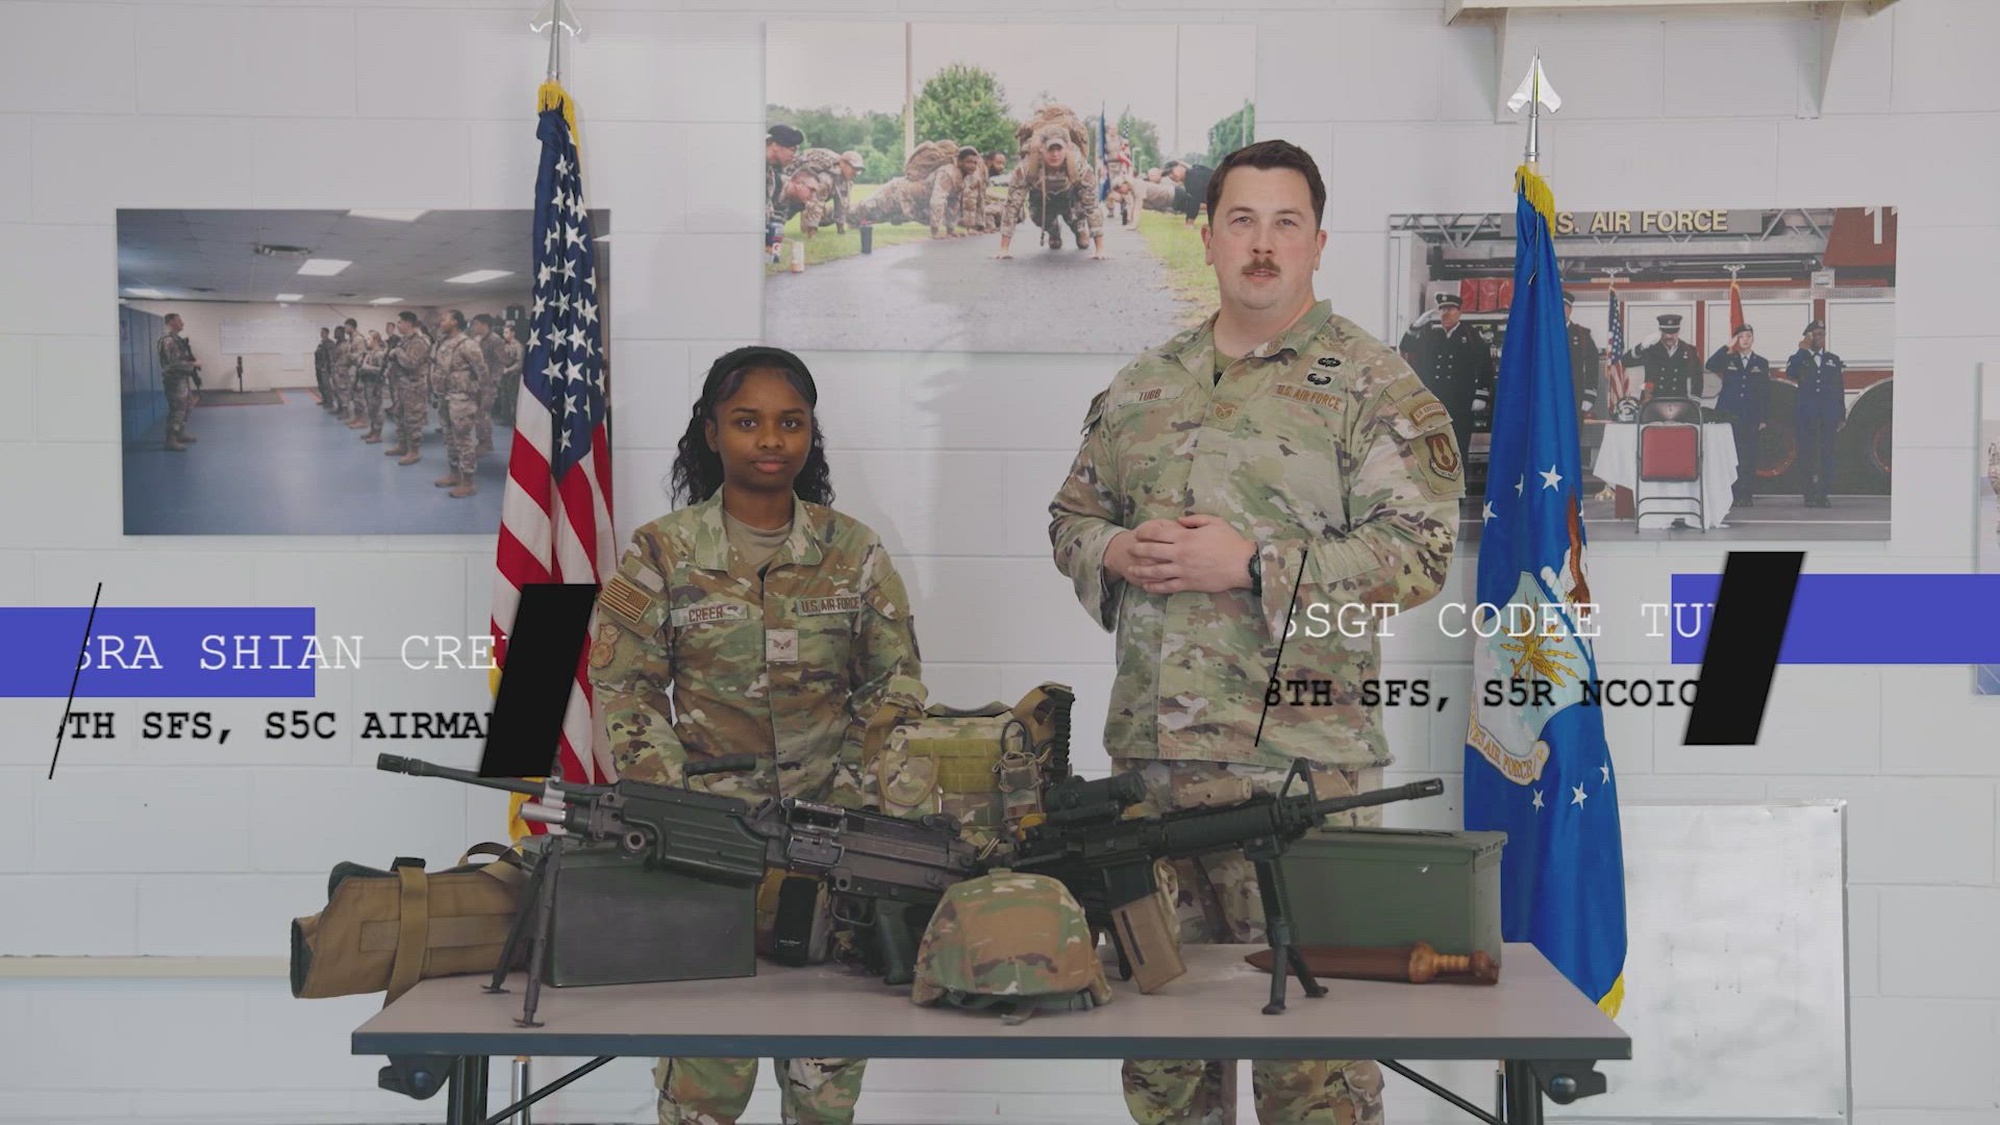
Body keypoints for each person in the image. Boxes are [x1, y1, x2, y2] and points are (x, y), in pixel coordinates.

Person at [1048, 138, 1461, 1125]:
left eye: (1284, 224)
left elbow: (1418, 553)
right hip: (1152, 776)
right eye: (1241, 221)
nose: (1261, 245)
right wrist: (1108, 552)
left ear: (1317, 242)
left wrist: (1254, 564)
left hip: (1301, 775)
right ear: (1208, 238)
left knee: (1313, 1072)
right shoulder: (1144, 384)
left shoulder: (1372, 386)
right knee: (1163, 1065)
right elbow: (1070, 517)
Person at [587, 345, 927, 1125]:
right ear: (712, 433)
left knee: (823, 1088)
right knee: (705, 1086)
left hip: (834, 853)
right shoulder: (659, 553)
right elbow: (626, 688)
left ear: (811, 434)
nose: (770, 439)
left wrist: (848, 794)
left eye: (789, 422)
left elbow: (896, 686)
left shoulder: (856, 553)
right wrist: (680, 807)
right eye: (747, 421)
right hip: (711, 858)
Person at [1398, 292, 1492, 462]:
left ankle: (1460, 486)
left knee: (1458, 445)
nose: (1446, 313)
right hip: (1434, 402)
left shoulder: (1470, 335)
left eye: (1450, 309)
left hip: (1461, 402)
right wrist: (1416, 326)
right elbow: (1405, 346)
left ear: (1459, 312)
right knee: (1432, 445)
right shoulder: (1431, 336)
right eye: (1442, 310)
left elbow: (1485, 365)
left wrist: (1481, 395)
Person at [995, 134, 1106, 259]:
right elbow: (1012, 205)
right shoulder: (1027, 167)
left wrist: (1100, 249)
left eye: (1059, 149)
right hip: (1043, 201)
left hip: (1070, 200)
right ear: (1042, 150)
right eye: (1051, 149)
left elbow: (1092, 206)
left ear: (1066, 150)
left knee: (1083, 242)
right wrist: (1004, 249)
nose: (1055, 154)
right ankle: (1053, 230)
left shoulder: (1079, 166)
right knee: (1036, 215)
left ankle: (1078, 228)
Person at [1705, 323, 1770, 508]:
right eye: (1741, 336)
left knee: (1748, 457)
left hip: (1751, 416)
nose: (1745, 339)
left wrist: (1764, 418)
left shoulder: (1761, 363)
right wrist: (1727, 346)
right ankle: (1730, 494)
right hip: (1729, 416)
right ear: (1736, 340)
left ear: (1753, 339)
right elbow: (1710, 364)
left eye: (1748, 336)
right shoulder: (1728, 359)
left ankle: (1746, 494)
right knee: (1729, 456)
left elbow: (1765, 392)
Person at [429, 309, 489, 498]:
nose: (441, 321)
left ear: (455, 322)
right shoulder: (443, 342)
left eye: (444, 318)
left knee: (463, 440)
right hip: (445, 397)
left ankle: (468, 482)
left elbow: (483, 374)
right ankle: (454, 474)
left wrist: (476, 396)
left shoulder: (468, 344)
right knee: (449, 438)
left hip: (462, 399)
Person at [1787, 318, 1845, 508]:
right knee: (1807, 455)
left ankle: (1823, 494)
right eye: (1816, 335)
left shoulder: (1832, 360)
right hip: (1807, 416)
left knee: (1827, 455)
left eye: (1823, 334)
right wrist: (1803, 349)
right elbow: (1791, 373)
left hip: (1828, 415)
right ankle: (1809, 495)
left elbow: (1839, 389)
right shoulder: (1801, 358)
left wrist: (1841, 415)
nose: (1821, 338)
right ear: (1809, 337)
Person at [1627, 313, 1701, 421]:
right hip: (1652, 403)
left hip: (1679, 404)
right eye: (1666, 333)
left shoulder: (1689, 350)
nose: (1669, 336)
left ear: (1678, 332)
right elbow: (1626, 361)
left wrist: (1695, 402)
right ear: (1660, 332)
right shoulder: (1650, 349)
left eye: (1673, 333)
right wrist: (1641, 346)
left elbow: (1697, 377)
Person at [383, 310, 432, 466]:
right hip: (401, 385)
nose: (397, 325)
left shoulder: (419, 342)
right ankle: (403, 445)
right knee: (400, 416)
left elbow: (411, 363)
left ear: (408, 323)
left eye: (399, 322)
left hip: (414, 386)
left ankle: (414, 451)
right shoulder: (404, 341)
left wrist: (397, 352)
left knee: (413, 419)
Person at [156, 313, 201, 451]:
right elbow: (175, 363)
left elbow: (182, 357)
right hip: (174, 380)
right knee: (177, 410)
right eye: (179, 321)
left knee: (187, 407)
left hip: (182, 378)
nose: (182, 323)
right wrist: (193, 364)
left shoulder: (177, 339)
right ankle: (171, 440)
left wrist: (191, 363)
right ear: (171, 322)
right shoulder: (168, 340)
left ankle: (179, 434)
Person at [1563, 290, 1601, 435]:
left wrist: (1589, 395)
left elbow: (1592, 366)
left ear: (1570, 309)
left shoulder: (1581, 334)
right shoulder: (1543, 333)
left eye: (1564, 307)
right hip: (1548, 397)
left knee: (1573, 436)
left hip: (1575, 396)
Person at [355, 329, 388, 444]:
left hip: (375, 386)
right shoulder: (369, 353)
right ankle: (373, 430)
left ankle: (377, 434)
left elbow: (382, 371)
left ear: (375, 340)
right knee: (371, 409)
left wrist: (366, 367)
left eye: (369, 339)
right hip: (367, 383)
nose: (366, 341)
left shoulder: (380, 354)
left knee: (377, 409)